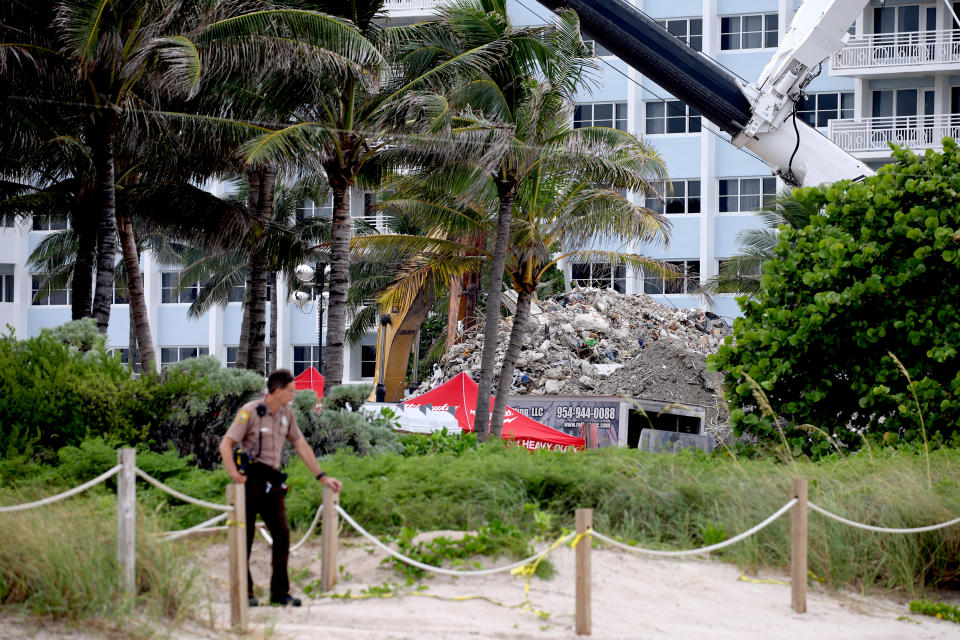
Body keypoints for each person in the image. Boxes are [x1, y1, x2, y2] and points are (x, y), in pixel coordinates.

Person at [219, 369, 342, 607]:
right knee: (244, 537)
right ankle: (245, 593)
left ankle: (280, 593)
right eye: (290, 391)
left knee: (282, 535)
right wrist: (234, 475)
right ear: (276, 391)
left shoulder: (287, 414)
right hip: (250, 479)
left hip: (272, 480)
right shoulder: (251, 411)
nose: (293, 395)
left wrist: (322, 476)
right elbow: (226, 444)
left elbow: (300, 444)